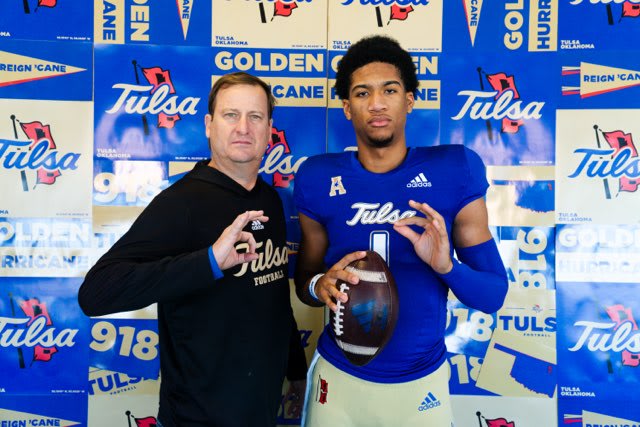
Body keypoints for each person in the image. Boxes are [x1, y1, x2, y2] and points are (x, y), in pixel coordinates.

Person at [293, 35, 508, 426]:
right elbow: (305, 284)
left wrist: (446, 267)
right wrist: (318, 285)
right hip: (339, 380)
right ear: (346, 107)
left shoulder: (454, 169)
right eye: (361, 93)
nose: (376, 103)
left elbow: (494, 295)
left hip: (420, 385)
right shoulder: (316, 177)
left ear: (409, 100)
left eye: (389, 90)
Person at [79, 72, 307, 427]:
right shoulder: (181, 203)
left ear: (269, 128)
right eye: (231, 115)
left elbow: (273, 295)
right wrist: (210, 261)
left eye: (255, 117)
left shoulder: (271, 201)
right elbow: (96, 293)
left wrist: (295, 369)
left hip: (261, 411)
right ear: (209, 125)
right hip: (196, 417)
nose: (243, 127)